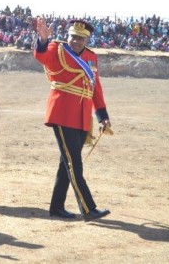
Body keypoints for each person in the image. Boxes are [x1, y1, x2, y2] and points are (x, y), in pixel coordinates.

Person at [34, 18, 112, 221]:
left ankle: (56, 207)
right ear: (67, 36)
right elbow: (41, 56)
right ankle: (88, 208)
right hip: (62, 114)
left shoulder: (91, 57)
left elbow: (96, 88)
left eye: (81, 38)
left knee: (65, 163)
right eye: (73, 37)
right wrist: (43, 40)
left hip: (82, 117)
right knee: (74, 163)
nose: (76, 41)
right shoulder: (57, 49)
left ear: (87, 40)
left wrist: (102, 116)